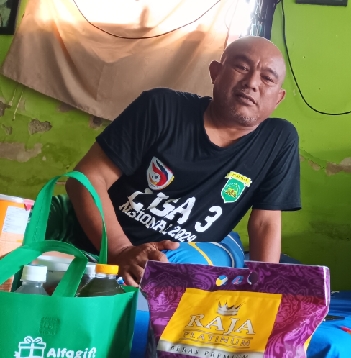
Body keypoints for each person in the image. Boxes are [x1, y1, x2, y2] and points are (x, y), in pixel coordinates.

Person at [57, 36, 300, 286]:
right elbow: (87, 179)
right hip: (109, 239)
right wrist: (120, 250)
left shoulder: (279, 140)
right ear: (215, 72)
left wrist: (263, 289)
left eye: (267, 78)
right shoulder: (161, 108)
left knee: (188, 267)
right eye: (241, 67)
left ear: (278, 98)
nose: (252, 83)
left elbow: (265, 222)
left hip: (185, 253)